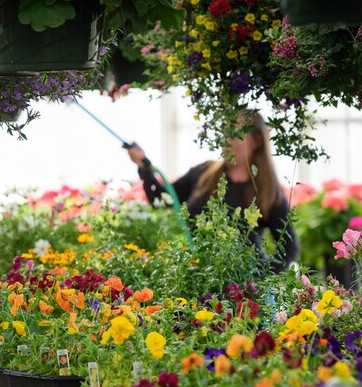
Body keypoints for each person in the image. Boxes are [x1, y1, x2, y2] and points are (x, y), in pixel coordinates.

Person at [126, 111, 299, 272]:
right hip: (199, 275)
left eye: (235, 132)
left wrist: (262, 279)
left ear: (257, 140)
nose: (226, 138)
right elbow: (161, 199)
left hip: (241, 288)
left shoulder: (266, 191)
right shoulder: (203, 174)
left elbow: (290, 247)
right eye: (225, 131)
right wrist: (143, 166)